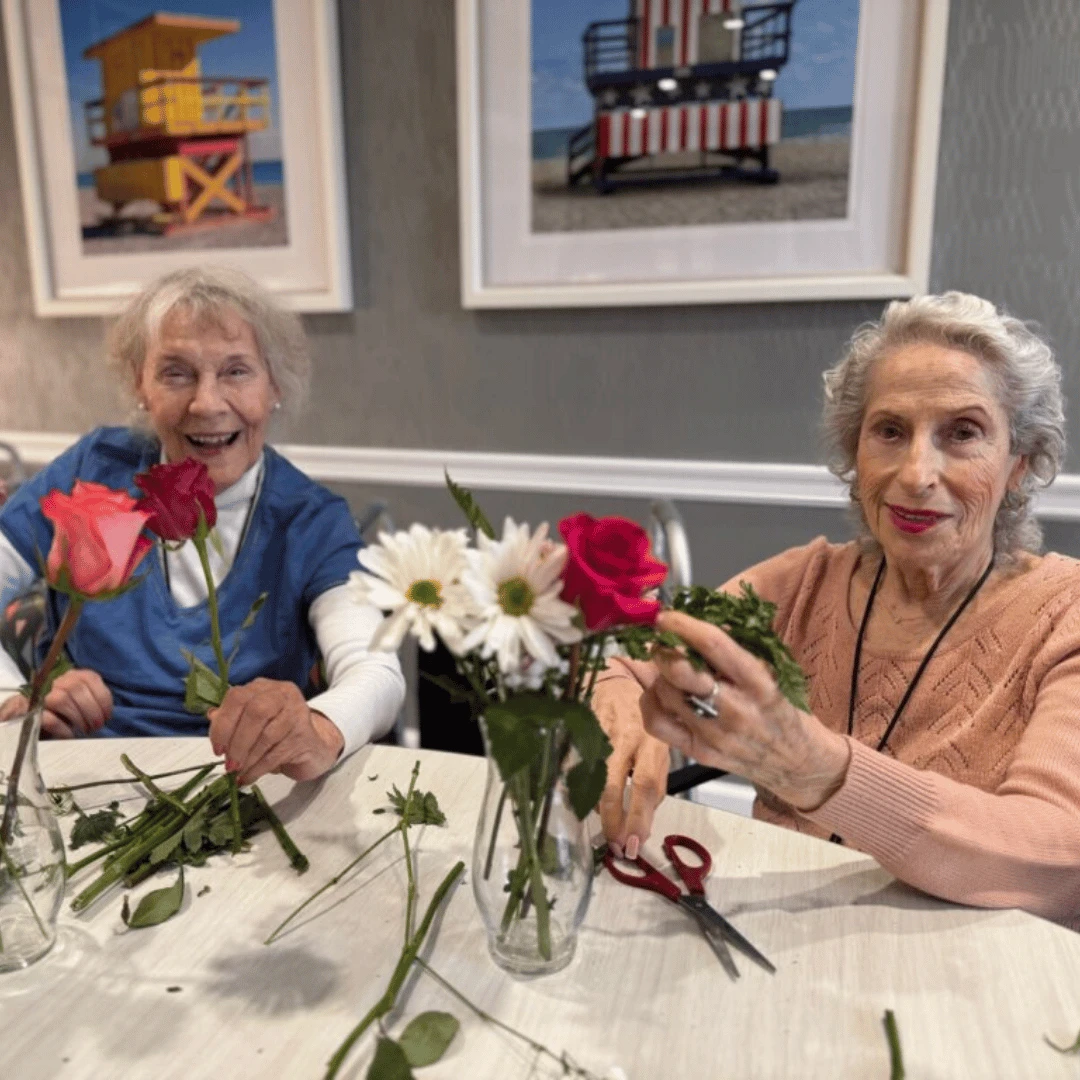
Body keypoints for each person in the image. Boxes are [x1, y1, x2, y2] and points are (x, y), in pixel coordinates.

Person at [594, 291, 1080, 923]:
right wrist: (621, 709)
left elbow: (1057, 861)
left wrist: (818, 771)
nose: (916, 474)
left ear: (1018, 463)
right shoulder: (803, 583)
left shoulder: (1063, 613)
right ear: (856, 453)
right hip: (787, 934)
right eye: (890, 432)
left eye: (963, 433)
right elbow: (625, 666)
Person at [0, 267, 404, 786]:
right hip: (81, 774)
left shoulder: (310, 519)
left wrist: (319, 729)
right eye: (176, 373)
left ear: (275, 386)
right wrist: (16, 699)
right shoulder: (95, 468)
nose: (207, 403)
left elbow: (376, 670)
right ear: (140, 385)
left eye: (237, 371)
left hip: (240, 786)